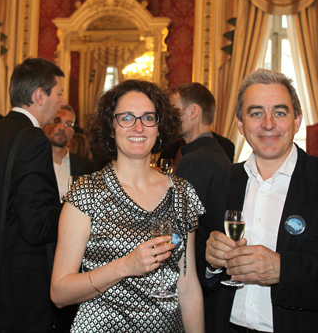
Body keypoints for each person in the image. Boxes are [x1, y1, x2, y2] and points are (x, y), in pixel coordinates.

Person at [197, 69, 318, 333]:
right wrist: (211, 262)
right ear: (240, 124)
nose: (268, 124)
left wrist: (285, 271)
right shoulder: (220, 183)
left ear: (297, 120)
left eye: (280, 112)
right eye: (256, 113)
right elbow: (198, 266)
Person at [51, 80, 206, 333]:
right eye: (126, 117)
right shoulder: (87, 193)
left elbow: (188, 286)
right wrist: (126, 266)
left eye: (148, 117)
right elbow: (59, 292)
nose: (138, 126)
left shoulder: (182, 193)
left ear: (159, 127)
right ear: (111, 127)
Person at [0, 57, 66, 333]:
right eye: (59, 93)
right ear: (39, 95)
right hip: (19, 289)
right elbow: (36, 226)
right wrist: (77, 207)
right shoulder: (32, 139)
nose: (62, 102)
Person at [168, 83, 231, 205]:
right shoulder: (215, 152)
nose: (170, 118)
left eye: (175, 111)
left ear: (193, 112)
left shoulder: (193, 162)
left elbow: (180, 221)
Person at [43, 105, 95, 199]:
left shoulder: (86, 168)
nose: (62, 128)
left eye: (68, 124)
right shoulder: (33, 163)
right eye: (57, 121)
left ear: (72, 133)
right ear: (45, 126)